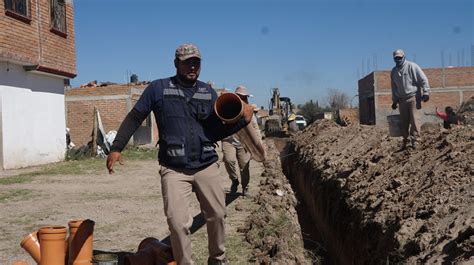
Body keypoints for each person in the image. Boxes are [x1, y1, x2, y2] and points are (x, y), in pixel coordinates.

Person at [106, 43, 253, 265]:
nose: (192, 66)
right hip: (174, 169)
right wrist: (117, 147)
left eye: (196, 62)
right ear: (176, 63)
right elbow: (136, 117)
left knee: (218, 215)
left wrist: (242, 120)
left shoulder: (207, 92)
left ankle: (218, 260)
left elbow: (215, 132)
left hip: (206, 164)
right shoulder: (158, 89)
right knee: (177, 223)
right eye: (187, 62)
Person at [390, 49, 430, 149]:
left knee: (414, 120)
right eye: (396, 58)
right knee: (404, 122)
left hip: (413, 97)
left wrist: (426, 92)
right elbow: (394, 87)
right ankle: (405, 140)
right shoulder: (394, 71)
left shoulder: (412, 66)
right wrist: (395, 100)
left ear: (404, 57)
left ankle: (416, 140)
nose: (398, 60)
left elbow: (423, 79)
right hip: (402, 100)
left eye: (400, 57)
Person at [221, 86, 257, 196]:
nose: (241, 99)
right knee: (229, 160)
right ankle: (234, 180)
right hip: (229, 140)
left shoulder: (248, 111)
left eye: (243, 97)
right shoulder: (227, 108)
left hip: (243, 143)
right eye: (239, 96)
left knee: (244, 167)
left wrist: (258, 143)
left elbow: (255, 128)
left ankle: (245, 187)